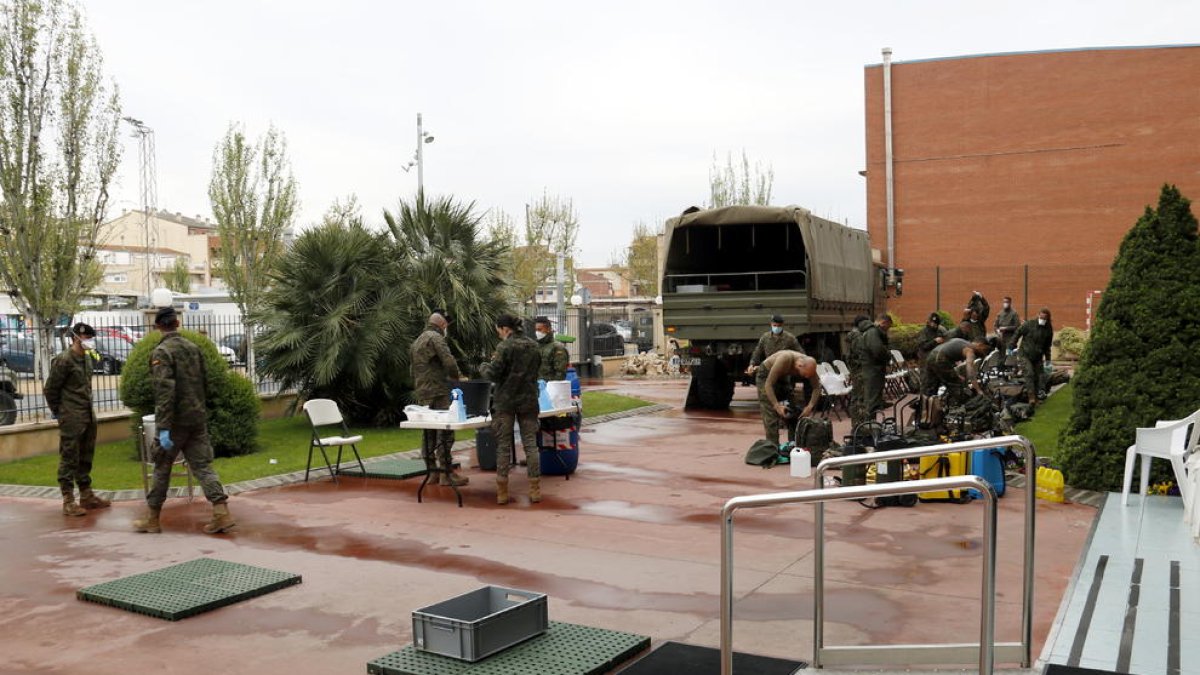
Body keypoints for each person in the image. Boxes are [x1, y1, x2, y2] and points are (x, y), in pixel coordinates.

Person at [133, 307, 234, 534]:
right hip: (196, 419)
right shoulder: (193, 348)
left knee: (161, 467)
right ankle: (221, 512)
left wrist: (164, 428)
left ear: (158, 326)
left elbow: (164, 392)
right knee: (203, 467)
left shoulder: (162, 352)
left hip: (174, 422)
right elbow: (205, 382)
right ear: (177, 323)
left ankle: (152, 518)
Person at [44, 322, 110, 516]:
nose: (89, 341)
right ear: (76, 338)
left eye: (91, 338)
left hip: (87, 416)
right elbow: (50, 389)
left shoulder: (87, 359)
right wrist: (59, 412)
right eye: (86, 338)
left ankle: (86, 494)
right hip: (71, 417)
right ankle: (68, 499)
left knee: (85, 456)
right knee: (69, 458)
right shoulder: (64, 360)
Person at [481, 314, 543, 505]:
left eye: (498, 330)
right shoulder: (534, 345)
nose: (498, 334)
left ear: (505, 329)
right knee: (531, 445)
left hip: (505, 403)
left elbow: (493, 373)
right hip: (529, 401)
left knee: (503, 446)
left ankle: (502, 493)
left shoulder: (504, 347)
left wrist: (483, 365)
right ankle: (534, 490)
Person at [410, 310, 470, 487]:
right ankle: (446, 473)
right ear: (443, 325)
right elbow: (449, 361)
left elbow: (412, 369)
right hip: (439, 391)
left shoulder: (417, 340)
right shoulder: (436, 338)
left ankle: (432, 472)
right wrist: (458, 377)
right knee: (445, 430)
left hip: (423, 392)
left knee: (428, 431)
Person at [756, 349, 821, 446]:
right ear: (799, 366)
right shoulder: (785, 359)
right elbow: (768, 385)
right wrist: (777, 406)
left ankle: (793, 445)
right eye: (805, 375)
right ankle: (773, 448)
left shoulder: (808, 365)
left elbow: (817, 387)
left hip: (782, 376)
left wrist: (810, 406)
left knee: (793, 410)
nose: (807, 377)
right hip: (766, 376)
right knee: (771, 414)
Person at [924, 335, 991, 405]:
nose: (984, 353)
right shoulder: (970, 351)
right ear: (980, 345)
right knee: (957, 387)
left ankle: (927, 410)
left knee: (930, 388)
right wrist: (978, 390)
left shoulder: (962, 341)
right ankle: (960, 409)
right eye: (985, 350)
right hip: (940, 359)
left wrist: (956, 375)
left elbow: (949, 355)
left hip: (932, 356)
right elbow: (970, 372)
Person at [1014, 307, 1054, 405]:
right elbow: (1017, 333)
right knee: (1029, 373)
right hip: (1024, 354)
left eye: (1045, 318)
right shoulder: (1029, 324)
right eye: (1041, 317)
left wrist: (1048, 359)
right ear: (1038, 315)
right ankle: (1031, 398)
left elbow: (1047, 346)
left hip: (1037, 356)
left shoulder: (1048, 329)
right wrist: (1011, 346)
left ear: (1047, 319)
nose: (1042, 320)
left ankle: (1036, 398)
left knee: (1038, 376)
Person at [533, 316, 569, 382]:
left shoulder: (558, 348)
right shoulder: (536, 346)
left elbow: (560, 373)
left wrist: (552, 387)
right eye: (536, 330)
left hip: (551, 387)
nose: (537, 332)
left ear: (548, 329)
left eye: (539, 329)